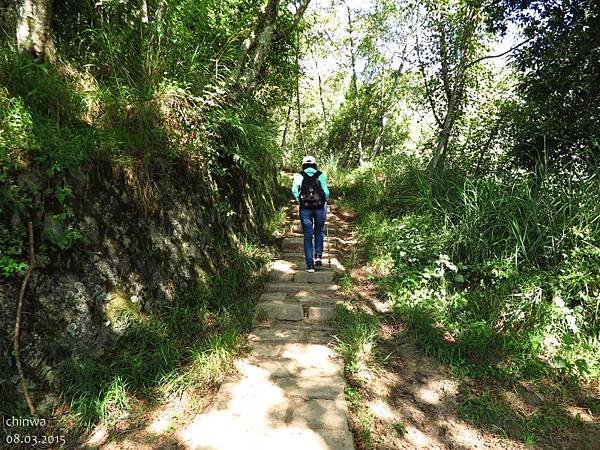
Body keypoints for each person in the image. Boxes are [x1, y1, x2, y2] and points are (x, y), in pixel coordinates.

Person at [291, 155, 330, 272]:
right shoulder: (320, 175)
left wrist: (300, 200)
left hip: (305, 209)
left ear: (303, 165)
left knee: (308, 236)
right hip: (319, 208)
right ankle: (318, 256)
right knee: (318, 231)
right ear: (314, 164)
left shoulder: (299, 175)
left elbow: (294, 190)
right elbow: (326, 191)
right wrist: (325, 200)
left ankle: (310, 265)